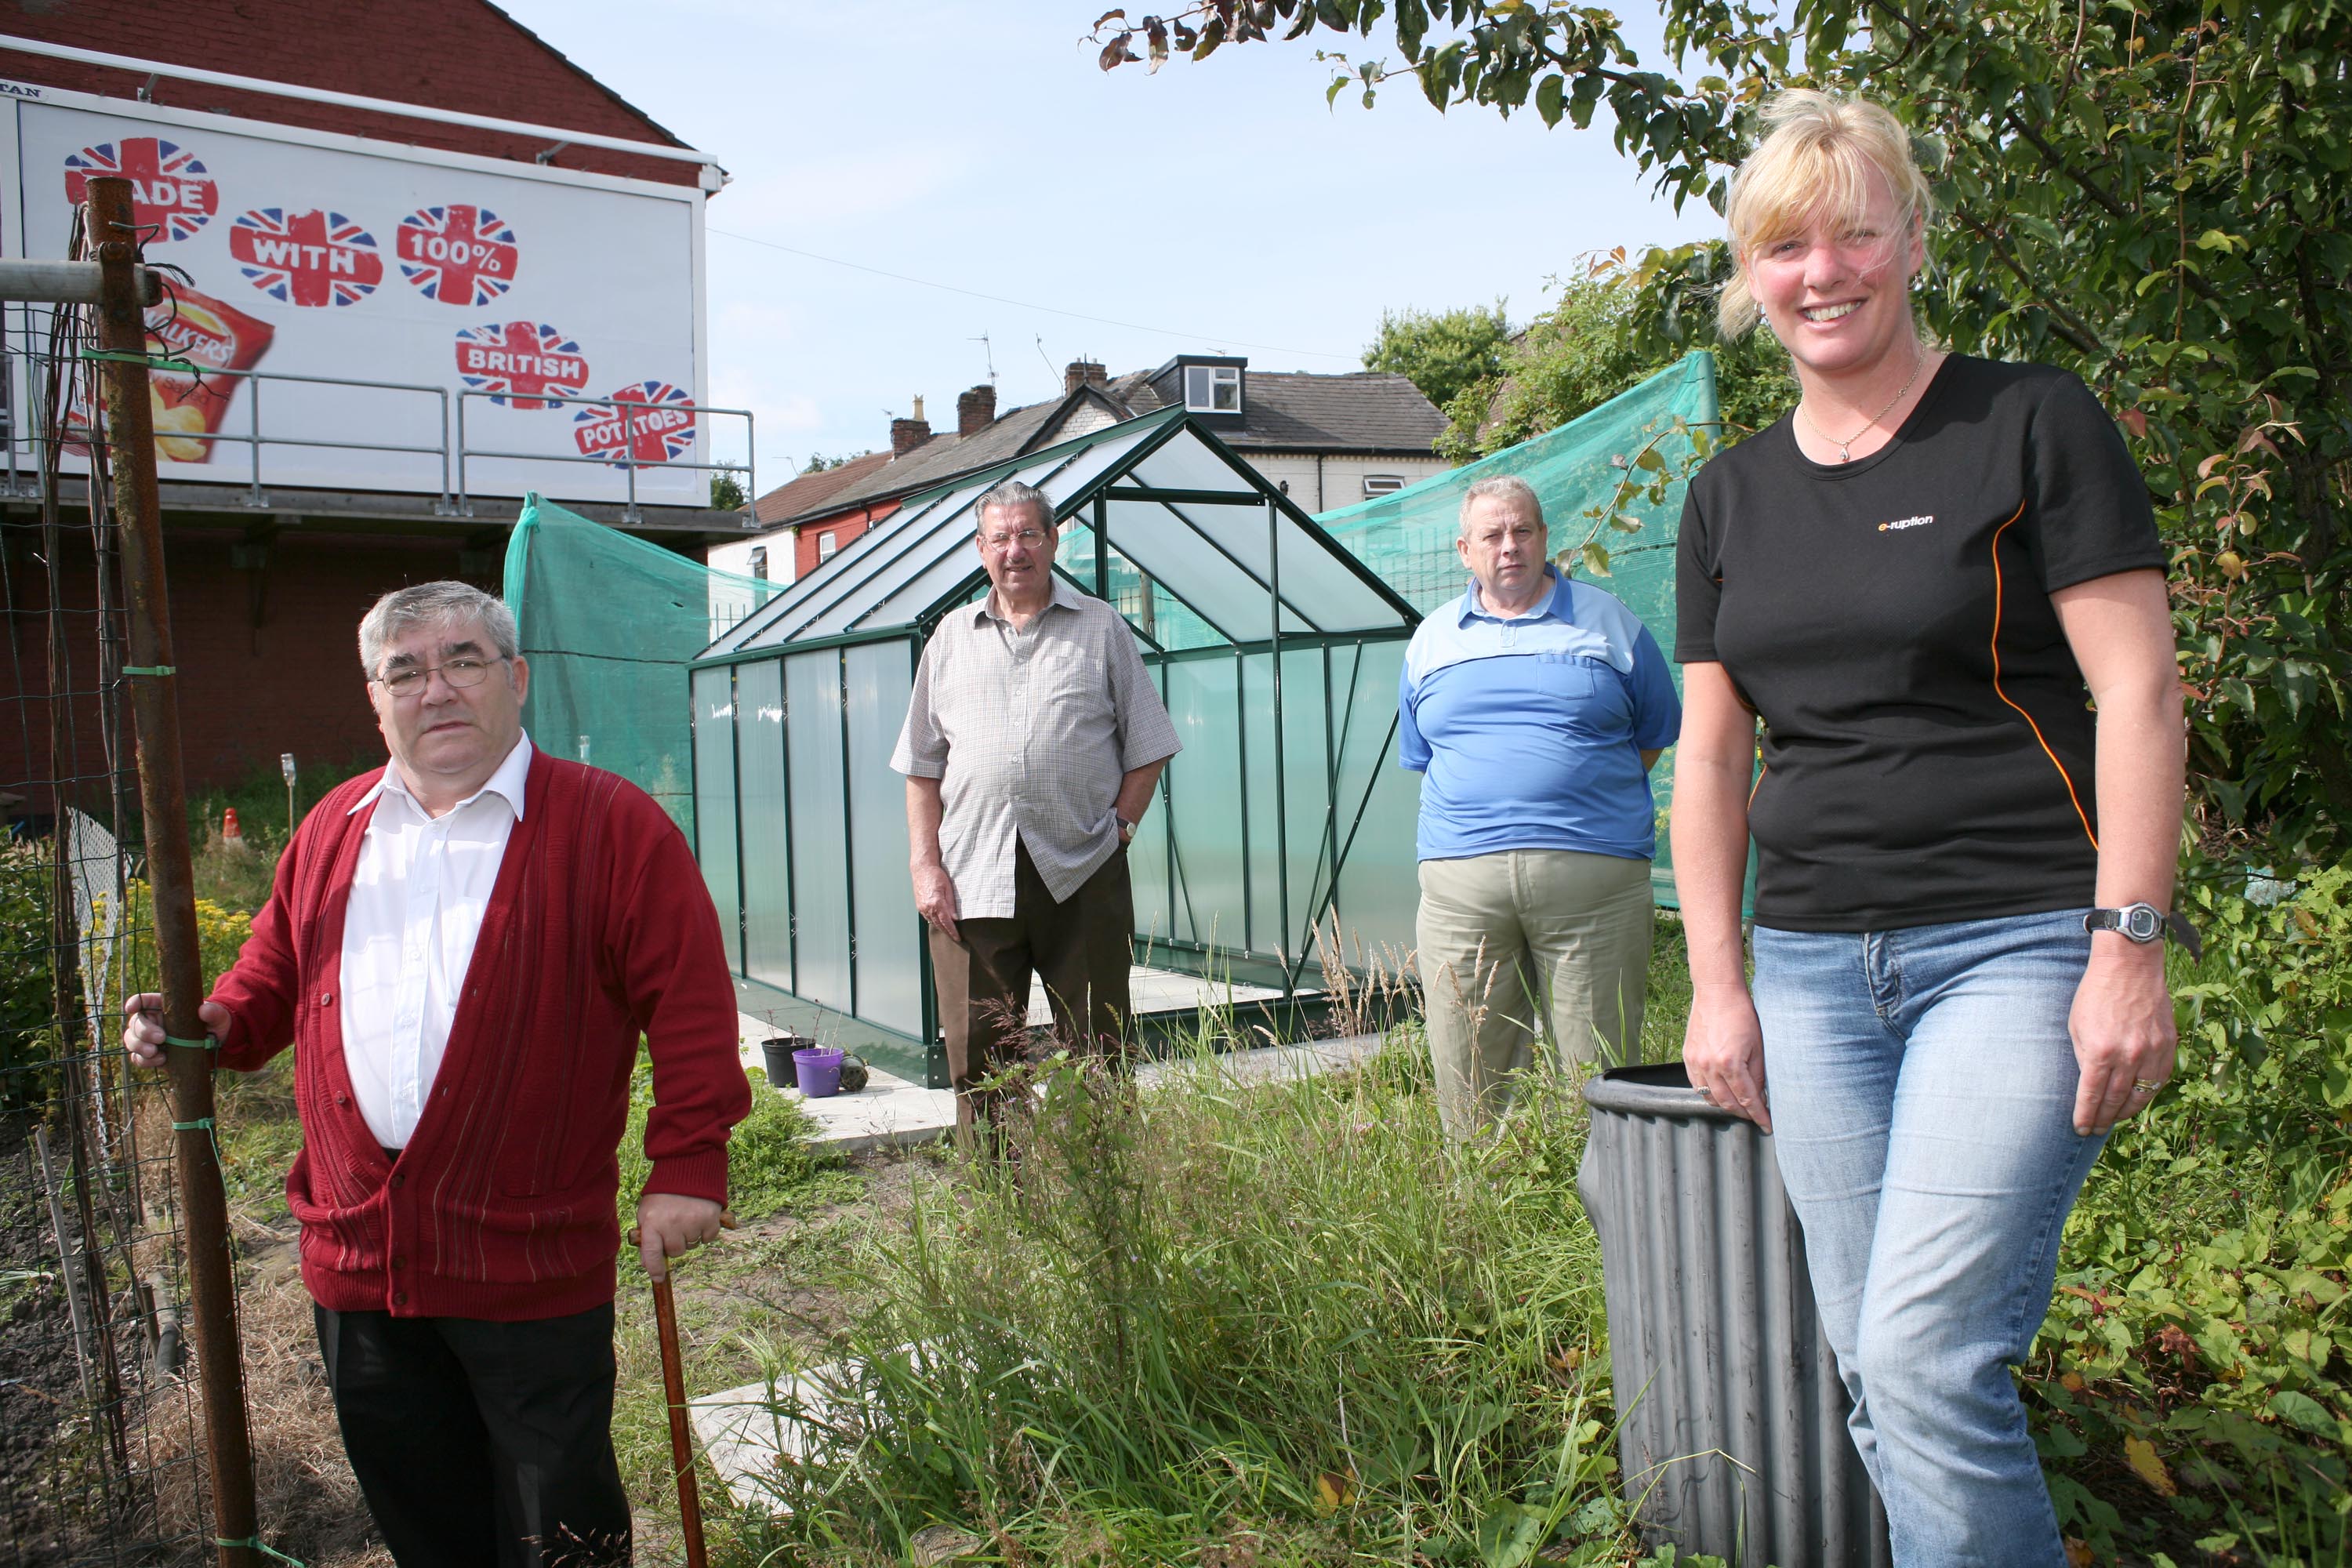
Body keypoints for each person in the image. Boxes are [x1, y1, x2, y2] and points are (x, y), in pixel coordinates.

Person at [1671, 91, 2185, 1566]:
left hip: (2018, 939)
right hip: (1814, 971)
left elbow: (2139, 693)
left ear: (1911, 241)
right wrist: (1720, 981)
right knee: (1874, 1371)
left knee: (1922, 1356)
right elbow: (1710, 761)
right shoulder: (1729, 495)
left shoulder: (2029, 424)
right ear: (1749, 276)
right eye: (1785, 246)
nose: (1821, 272)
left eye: (1854, 234)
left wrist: (2127, 944)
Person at [124, 580, 750, 1568]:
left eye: (465, 659)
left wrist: (686, 1163)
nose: (438, 688)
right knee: (423, 1513)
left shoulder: (612, 828)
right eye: (405, 671)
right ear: (376, 700)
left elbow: (693, 1009)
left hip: (529, 1253)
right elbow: (270, 974)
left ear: (518, 678)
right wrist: (212, 1023)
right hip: (360, 1255)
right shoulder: (333, 827)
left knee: (560, 1524)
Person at [893, 478, 1181, 1133]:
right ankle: (1002, 1209)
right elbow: (920, 767)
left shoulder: (1101, 627)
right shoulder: (950, 638)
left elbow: (1150, 744)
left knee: (1098, 1045)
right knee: (979, 1056)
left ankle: (1105, 1195)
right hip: (972, 879)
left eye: (1028, 534)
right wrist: (924, 865)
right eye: (1000, 537)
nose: (1015, 550)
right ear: (980, 549)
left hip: (1082, 870)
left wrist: (1122, 829)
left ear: (1053, 540)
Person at [1400, 474, 1682, 1140]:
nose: (1510, 546)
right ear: (1464, 550)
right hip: (1460, 889)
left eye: (1522, 530)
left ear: (1544, 539)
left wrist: (1577, 795)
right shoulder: (1431, 640)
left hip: (1596, 890)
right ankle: (1480, 1213)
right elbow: (1424, 753)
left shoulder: (1610, 622)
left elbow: (1653, 736)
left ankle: (1600, 1218)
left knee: (1600, 1064)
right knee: (1467, 1066)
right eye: (1493, 535)